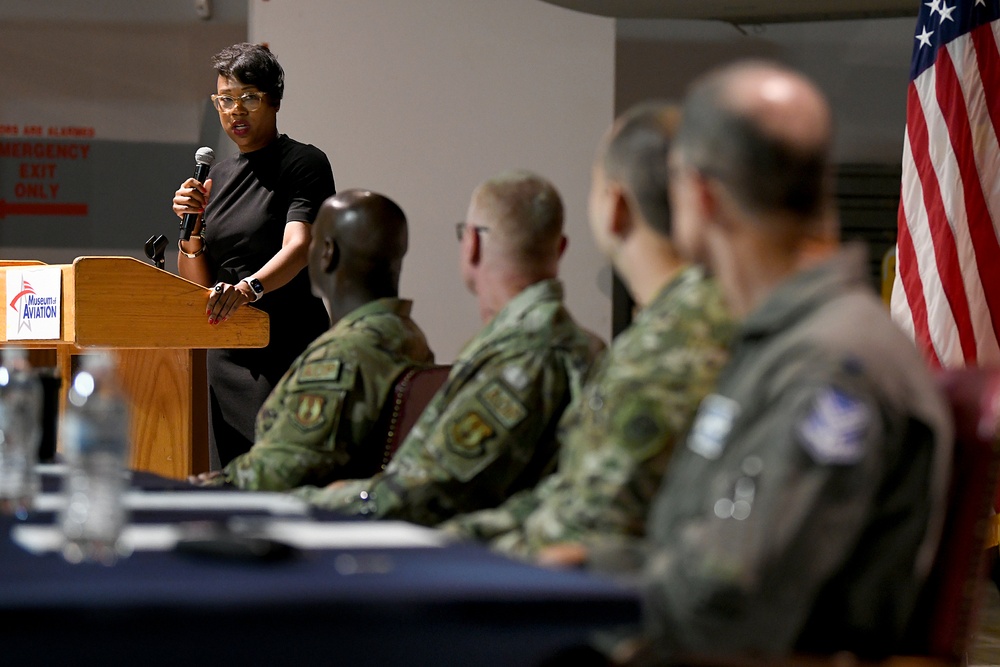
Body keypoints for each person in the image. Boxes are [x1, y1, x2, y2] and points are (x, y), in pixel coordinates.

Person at [578, 60, 952, 664]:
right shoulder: (783, 344)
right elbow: (704, 546)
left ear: (699, 194)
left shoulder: (833, 363)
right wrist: (594, 567)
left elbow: (730, 606)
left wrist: (585, 595)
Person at [440, 103, 733, 558]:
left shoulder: (666, 349)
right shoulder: (687, 320)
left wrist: (439, 551)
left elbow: (589, 524)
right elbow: (569, 494)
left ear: (614, 206)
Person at [294, 170, 603, 526]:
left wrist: (311, 503)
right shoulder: (584, 345)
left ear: (472, 243)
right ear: (560, 248)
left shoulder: (524, 353)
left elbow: (433, 489)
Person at [188, 189, 434, 491]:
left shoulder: (343, 354)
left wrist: (201, 487)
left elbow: (279, 471)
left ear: (326, 253)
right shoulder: (406, 335)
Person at [171, 42, 335, 467]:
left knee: (282, 478)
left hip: (283, 343)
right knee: (230, 481)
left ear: (274, 101)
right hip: (225, 352)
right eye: (225, 100)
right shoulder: (217, 178)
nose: (235, 111)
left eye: (249, 98)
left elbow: (299, 246)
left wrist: (248, 289)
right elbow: (197, 284)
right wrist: (190, 233)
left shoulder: (303, 163)